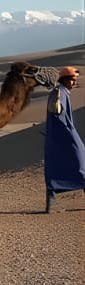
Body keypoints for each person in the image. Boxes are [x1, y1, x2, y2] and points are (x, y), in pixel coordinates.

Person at [44, 66, 85, 212]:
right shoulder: (59, 92)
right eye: (72, 80)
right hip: (64, 134)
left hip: (60, 136)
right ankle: (51, 203)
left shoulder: (61, 91)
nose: (74, 83)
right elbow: (58, 114)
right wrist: (69, 133)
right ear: (65, 79)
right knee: (80, 161)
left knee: (70, 163)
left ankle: (51, 202)